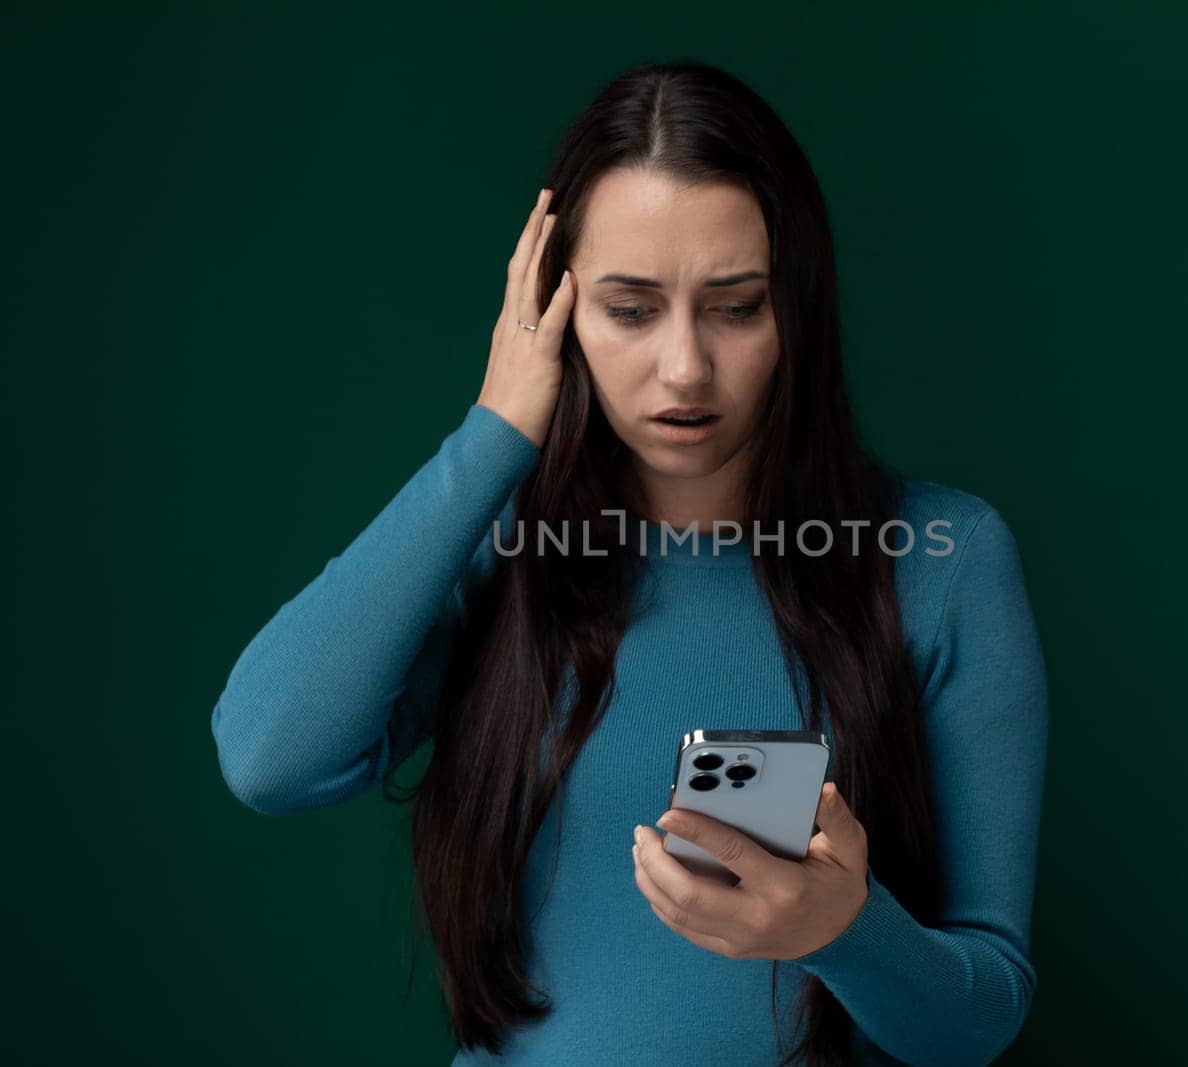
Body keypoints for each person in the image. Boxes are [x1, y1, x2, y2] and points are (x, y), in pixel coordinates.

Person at [210, 60, 1049, 1067]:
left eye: (735, 306)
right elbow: (270, 756)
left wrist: (843, 928)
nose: (685, 366)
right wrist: (492, 434)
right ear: (555, 310)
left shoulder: (939, 559)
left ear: (798, 314)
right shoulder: (497, 542)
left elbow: (978, 1015)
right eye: (630, 307)